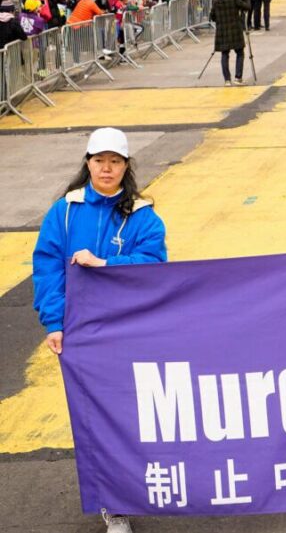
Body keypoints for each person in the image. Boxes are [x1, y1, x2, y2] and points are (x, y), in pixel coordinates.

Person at [32, 127, 167, 533]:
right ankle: (114, 504)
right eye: (99, 160)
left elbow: (156, 267)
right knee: (95, 418)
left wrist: (107, 265)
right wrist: (54, 322)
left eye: (115, 161)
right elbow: (47, 268)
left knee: (133, 414)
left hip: (130, 331)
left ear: (126, 167)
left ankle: (142, 487)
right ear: (87, 163)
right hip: (83, 333)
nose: (106, 168)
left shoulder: (143, 215)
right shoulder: (66, 211)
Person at [209, 0, 251, 87]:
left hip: (222, 31)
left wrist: (220, 20)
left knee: (225, 54)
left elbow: (212, 16)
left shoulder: (217, 1)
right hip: (235, 29)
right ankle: (238, 77)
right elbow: (247, 7)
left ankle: (227, 79)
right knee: (240, 53)